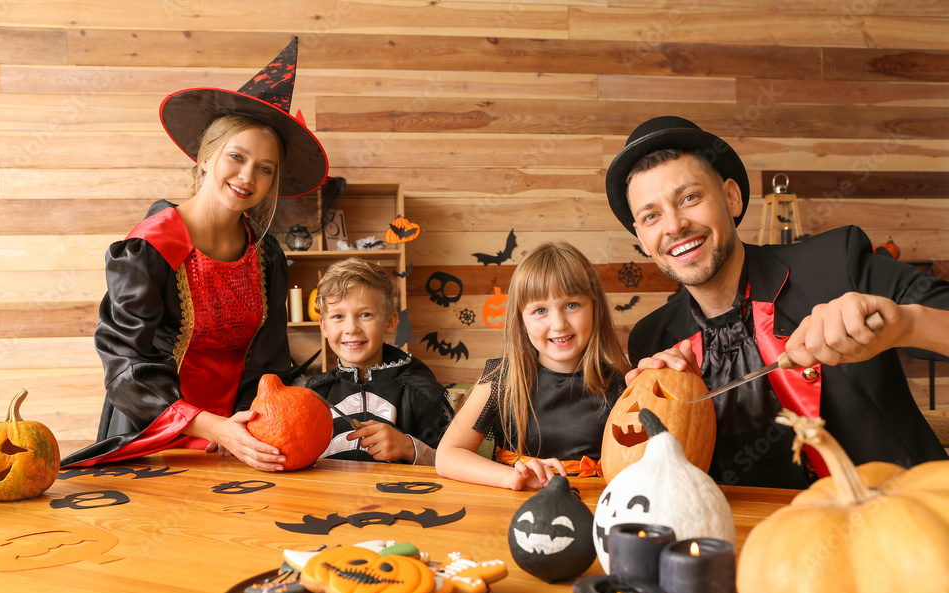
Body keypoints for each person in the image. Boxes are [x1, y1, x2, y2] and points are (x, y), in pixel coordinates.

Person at [605, 115, 949, 489]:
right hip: (750, 541)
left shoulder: (835, 266)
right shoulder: (653, 339)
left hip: (897, 526)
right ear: (641, 237)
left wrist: (905, 324)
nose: (673, 226)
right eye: (651, 216)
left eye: (689, 198)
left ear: (732, 197)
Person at [61, 39, 329, 472]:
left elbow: (269, 363)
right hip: (152, 436)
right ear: (206, 157)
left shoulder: (268, 257)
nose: (248, 177)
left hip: (240, 439)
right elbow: (126, 366)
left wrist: (246, 426)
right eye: (236, 157)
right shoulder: (149, 247)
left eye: (265, 168)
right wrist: (210, 427)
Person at [436, 241, 630, 490]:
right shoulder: (501, 380)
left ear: (595, 308)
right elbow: (447, 456)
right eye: (540, 310)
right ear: (521, 320)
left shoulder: (620, 387)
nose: (558, 324)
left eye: (571, 305)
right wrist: (512, 478)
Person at [306, 258, 454, 465]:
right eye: (338, 316)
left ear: (391, 322)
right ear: (324, 326)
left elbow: (457, 462)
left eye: (365, 314)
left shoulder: (420, 392)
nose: (351, 328)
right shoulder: (315, 395)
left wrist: (410, 448)